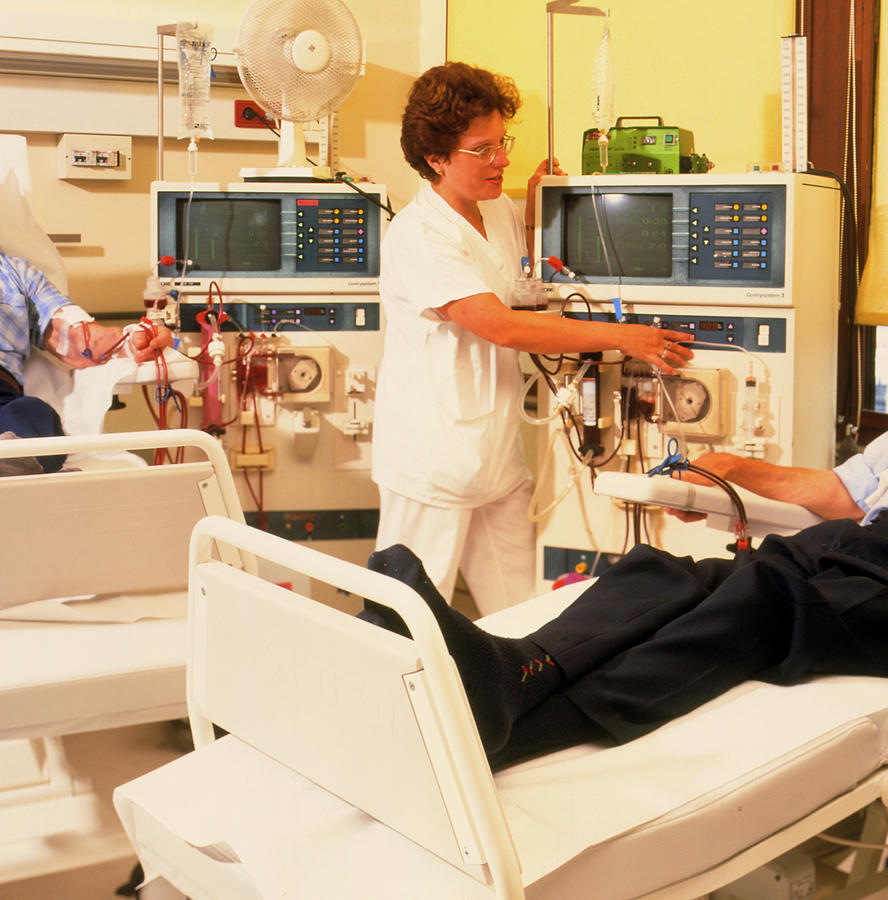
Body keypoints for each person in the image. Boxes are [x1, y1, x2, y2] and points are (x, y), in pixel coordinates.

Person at [371, 62, 694, 615]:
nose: (502, 160)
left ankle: (517, 700)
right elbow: (500, 324)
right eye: (483, 150)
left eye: (503, 143)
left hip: (495, 460)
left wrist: (535, 203)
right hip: (431, 464)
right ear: (436, 158)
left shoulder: (493, 209)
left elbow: (509, 269)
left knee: (519, 618)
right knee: (406, 626)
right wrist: (624, 338)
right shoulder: (417, 235)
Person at [364, 431, 888, 769]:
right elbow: (845, 493)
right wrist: (730, 465)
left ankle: (515, 736)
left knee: (762, 602)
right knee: (671, 575)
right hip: (852, 543)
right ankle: (519, 672)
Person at [0, 251, 173, 475]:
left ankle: (15, 467)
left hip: (4, 401)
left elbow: (83, 342)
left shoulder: (15, 275)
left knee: (34, 413)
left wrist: (136, 340)